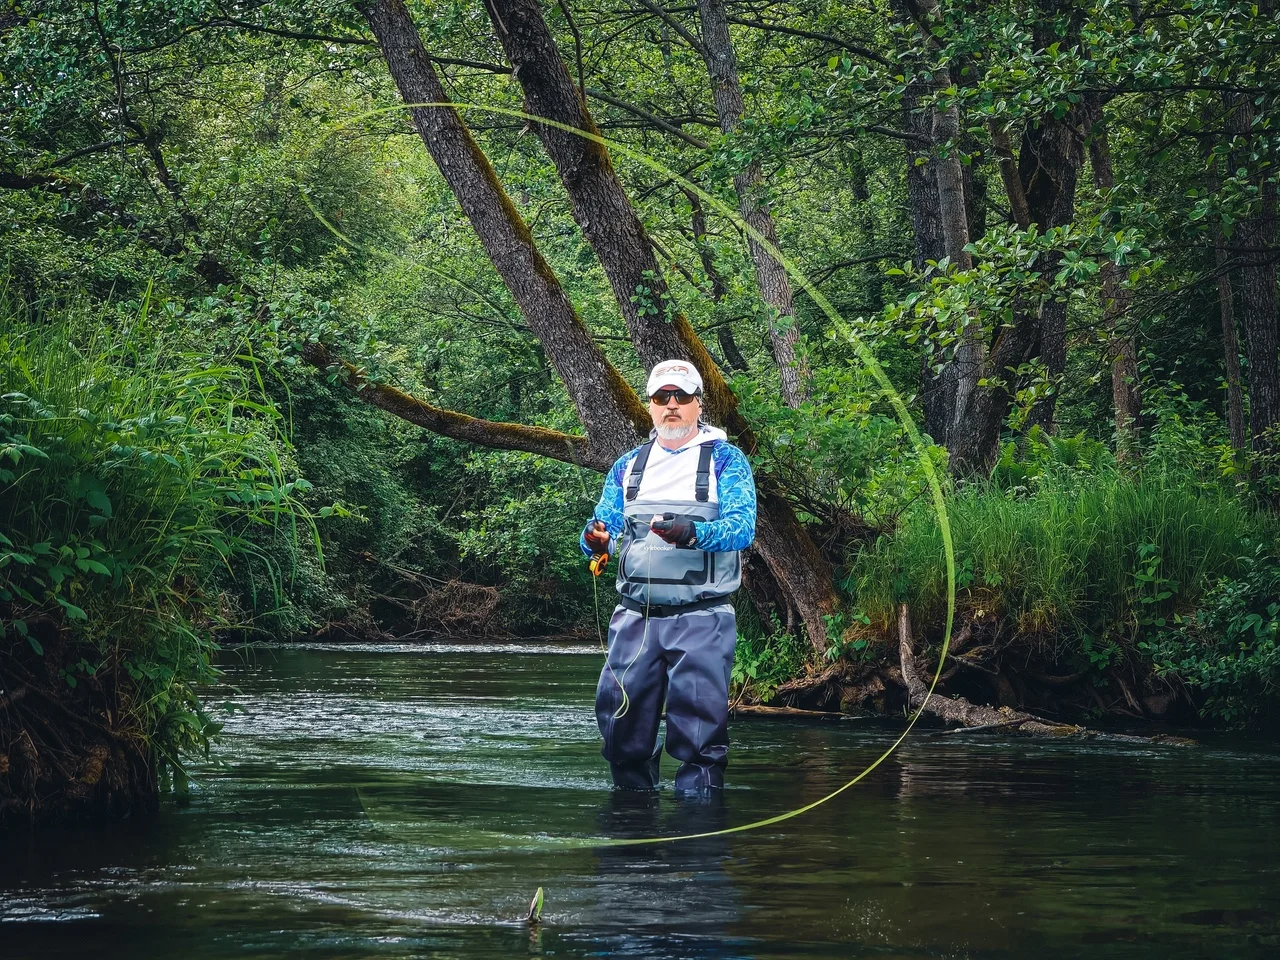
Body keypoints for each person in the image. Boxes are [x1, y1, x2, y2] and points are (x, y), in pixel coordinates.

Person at [581, 359, 756, 796]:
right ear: (650, 406)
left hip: (703, 617)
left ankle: (697, 838)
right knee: (620, 728)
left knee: (699, 737)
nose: (671, 405)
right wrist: (594, 541)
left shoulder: (726, 460)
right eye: (662, 397)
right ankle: (631, 831)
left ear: (699, 403)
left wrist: (693, 533)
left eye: (681, 396)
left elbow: (742, 528)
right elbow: (600, 528)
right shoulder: (626, 467)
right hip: (634, 619)